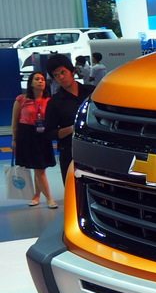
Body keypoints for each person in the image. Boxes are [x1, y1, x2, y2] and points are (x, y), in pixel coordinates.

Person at [44, 54, 94, 185]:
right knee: (73, 189)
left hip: (95, 149)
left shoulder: (91, 92)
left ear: (72, 71)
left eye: (63, 72)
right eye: (56, 75)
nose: (60, 77)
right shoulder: (55, 102)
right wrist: (72, 128)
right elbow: (50, 133)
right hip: (70, 152)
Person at [10, 71, 58, 208]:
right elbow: (14, 121)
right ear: (31, 83)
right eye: (37, 79)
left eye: (42, 79)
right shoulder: (21, 99)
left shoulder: (49, 101)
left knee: (40, 168)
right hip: (27, 134)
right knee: (38, 168)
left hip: (43, 135)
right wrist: (14, 139)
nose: (40, 81)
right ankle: (49, 198)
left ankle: (37, 196)